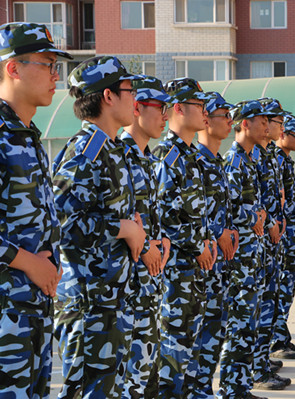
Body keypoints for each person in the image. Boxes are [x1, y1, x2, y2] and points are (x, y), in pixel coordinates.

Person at [52, 55, 147, 398]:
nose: (134, 96)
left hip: (111, 300)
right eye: (128, 88)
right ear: (108, 96)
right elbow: (63, 222)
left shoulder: (111, 149)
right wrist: (124, 228)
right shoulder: (86, 151)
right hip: (89, 303)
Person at [0, 22, 71, 398]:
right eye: (46, 64)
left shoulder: (26, 134)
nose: (54, 75)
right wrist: (28, 261)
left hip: (33, 312)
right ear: (13, 68)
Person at [152, 77, 216, 398]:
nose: (205, 112)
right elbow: (163, 215)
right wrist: (198, 244)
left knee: (190, 340)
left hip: (194, 269)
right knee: (173, 344)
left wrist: (208, 240)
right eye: (199, 105)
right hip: (177, 269)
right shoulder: (169, 157)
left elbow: (195, 212)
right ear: (178, 108)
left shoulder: (189, 156)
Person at [121, 75, 172, 398]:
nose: (166, 116)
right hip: (127, 286)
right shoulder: (117, 155)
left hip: (150, 283)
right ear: (137, 107)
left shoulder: (148, 158)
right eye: (160, 108)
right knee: (129, 377)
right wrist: (145, 248)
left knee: (146, 371)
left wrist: (162, 241)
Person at [188, 91, 240, 398]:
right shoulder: (195, 161)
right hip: (201, 263)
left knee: (214, 333)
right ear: (205, 120)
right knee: (195, 336)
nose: (229, 122)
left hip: (220, 264)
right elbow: (183, 212)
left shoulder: (216, 162)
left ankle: (204, 389)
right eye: (224, 115)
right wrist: (217, 231)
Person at [219, 100, 268, 399]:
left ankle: (240, 386)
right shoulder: (234, 161)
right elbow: (231, 210)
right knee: (237, 326)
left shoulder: (249, 160)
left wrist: (259, 215)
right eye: (261, 121)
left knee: (248, 324)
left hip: (253, 256)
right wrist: (257, 216)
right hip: (239, 260)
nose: (265, 127)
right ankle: (231, 388)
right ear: (245, 123)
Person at [252, 98, 291, 390]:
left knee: (268, 303)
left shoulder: (267, 156)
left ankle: (259, 363)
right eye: (269, 121)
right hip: (252, 247)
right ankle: (252, 370)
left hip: (269, 242)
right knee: (246, 318)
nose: (272, 126)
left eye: (273, 121)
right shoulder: (242, 159)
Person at [271, 114, 295, 360]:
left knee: (288, 287)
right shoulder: (276, 160)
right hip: (284, 234)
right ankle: (276, 340)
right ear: (283, 134)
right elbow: (276, 198)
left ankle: (281, 335)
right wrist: (294, 210)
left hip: (292, 233)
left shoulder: (285, 160)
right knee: (281, 287)